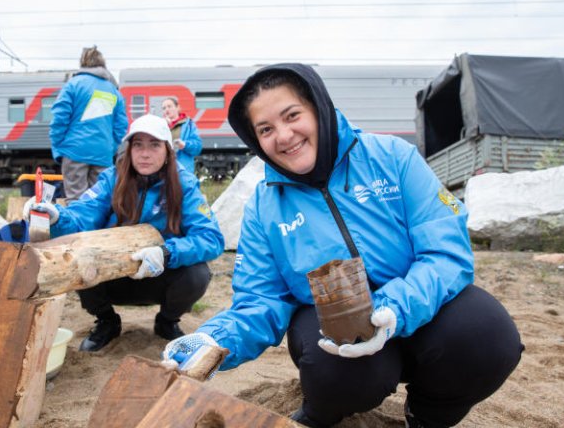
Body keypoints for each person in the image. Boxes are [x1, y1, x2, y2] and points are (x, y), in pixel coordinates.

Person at [162, 63, 523, 428]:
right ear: (256, 141)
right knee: (335, 372)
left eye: (292, 116)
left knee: (487, 336)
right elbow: (261, 299)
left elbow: (446, 253)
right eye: (266, 129)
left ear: (318, 108)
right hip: (331, 321)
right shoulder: (263, 205)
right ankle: (320, 413)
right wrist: (213, 339)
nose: (284, 136)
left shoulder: (393, 157)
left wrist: (393, 308)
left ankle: (427, 415)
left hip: (418, 306)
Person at [25, 114, 224, 352]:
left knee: (197, 273)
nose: (145, 153)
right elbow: (83, 215)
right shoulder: (112, 178)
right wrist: (56, 216)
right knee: (80, 255)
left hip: (161, 274)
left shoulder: (185, 184)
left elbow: (210, 238)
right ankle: (107, 321)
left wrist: (166, 253)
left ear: (168, 150)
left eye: (154, 145)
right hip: (112, 277)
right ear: (128, 149)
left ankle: (167, 321)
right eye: (138, 145)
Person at [50, 46, 129, 203]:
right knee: (100, 200)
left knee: (76, 199)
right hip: (102, 153)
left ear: (83, 63)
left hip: (74, 151)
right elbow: (120, 126)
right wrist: (110, 147)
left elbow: (59, 118)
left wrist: (60, 145)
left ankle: (79, 227)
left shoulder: (73, 85)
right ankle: (98, 228)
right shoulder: (114, 91)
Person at [161, 97, 203, 174]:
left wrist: (185, 145)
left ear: (178, 108)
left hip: (183, 170)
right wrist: (162, 125)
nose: (166, 109)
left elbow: (197, 147)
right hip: (164, 171)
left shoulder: (189, 125)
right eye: (164, 108)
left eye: (169, 106)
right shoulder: (160, 125)